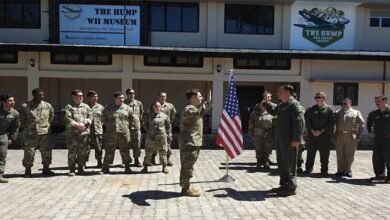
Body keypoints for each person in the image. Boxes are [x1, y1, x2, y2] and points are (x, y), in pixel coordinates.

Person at [264, 85, 305, 196]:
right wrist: (266, 102)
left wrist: (297, 139)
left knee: (290, 164)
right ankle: (284, 185)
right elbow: (273, 111)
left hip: (290, 140)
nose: (278, 93)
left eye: (280, 91)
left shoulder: (294, 105)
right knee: (282, 163)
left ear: (288, 92)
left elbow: (300, 123)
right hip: (281, 139)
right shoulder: (282, 105)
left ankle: (291, 187)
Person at [179, 89, 212, 197]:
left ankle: (186, 186)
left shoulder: (194, 109)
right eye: (200, 96)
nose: (201, 98)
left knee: (188, 165)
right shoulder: (190, 109)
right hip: (189, 143)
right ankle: (185, 189)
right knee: (187, 166)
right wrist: (206, 103)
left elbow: (201, 111)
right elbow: (195, 113)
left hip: (193, 142)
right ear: (193, 98)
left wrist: (208, 102)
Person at [20, 88, 55, 177]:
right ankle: (28, 170)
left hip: (44, 133)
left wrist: (45, 126)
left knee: (46, 151)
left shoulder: (47, 105)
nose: (41, 97)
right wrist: (29, 127)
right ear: (34, 95)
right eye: (39, 95)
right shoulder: (26, 106)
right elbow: (22, 119)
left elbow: (51, 116)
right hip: (31, 133)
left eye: (42, 95)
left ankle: (46, 169)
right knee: (29, 152)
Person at [101, 91, 134, 174]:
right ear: (114, 98)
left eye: (123, 98)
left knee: (125, 150)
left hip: (124, 133)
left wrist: (126, 127)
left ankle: (127, 167)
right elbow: (103, 119)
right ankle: (106, 168)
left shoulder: (128, 108)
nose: (122, 100)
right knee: (109, 150)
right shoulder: (108, 108)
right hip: (111, 134)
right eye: (120, 98)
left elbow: (131, 119)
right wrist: (109, 127)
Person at [304, 91, 334, 177]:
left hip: (324, 135)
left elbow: (331, 122)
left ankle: (324, 171)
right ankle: (308, 168)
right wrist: (313, 131)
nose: (316, 99)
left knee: (324, 154)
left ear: (324, 98)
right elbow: (307, 121)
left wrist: (321, 131)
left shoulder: (329, 109)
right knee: (310, 153)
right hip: (312, 135)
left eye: (318, 97)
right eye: (315, 98)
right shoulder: (310, 109)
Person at [63, 89, 92, 176]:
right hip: (72, 134)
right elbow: (67, 118)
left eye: (82, 96)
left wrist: (85, 122)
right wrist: (77, 125)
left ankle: (81, 168)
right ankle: (72, 169)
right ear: (73, 96)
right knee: (72, 152)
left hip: (83, 134)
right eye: (79, 96)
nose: (81, 97)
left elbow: (90, 116)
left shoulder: (86, 106)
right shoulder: (68, 107)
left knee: (82, 152)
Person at [334, 98, 365, 178]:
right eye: (342, 103)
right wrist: (332, 135)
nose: (343, 105)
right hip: (339, 135)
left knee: (350, 153)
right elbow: (332, 123)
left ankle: (348, 170)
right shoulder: (337, 113)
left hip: (351, 135)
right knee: (339, 153)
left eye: (345, 103)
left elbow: (362, 123)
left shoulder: (356, 112)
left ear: (350, 104)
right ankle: (340, 170)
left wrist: (359, 135)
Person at [142, 101, 172, 174]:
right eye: (156, 106)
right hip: (151, 137)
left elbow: (168, 126)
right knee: (148, 152)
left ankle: (164, 167)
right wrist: (150, 131)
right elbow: (145, 125)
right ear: (153, 107)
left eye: (159, 106)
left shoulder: (164, 116)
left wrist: (168, 135)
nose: (157, 108)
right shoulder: (149, 116)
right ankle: (145, 167)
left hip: (161, 137)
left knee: (163, 152)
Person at [367, 95, 390, 183]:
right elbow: (369, 123)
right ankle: (380, 175)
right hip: (377, 139)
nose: (377, 103)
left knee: (388, 157)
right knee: (377, 157)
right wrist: (370, 132)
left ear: (385, 101)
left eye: (378, 101)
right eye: (376, 101)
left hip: (388, 139)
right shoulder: (374, 113)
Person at [151, 92, 177, 166]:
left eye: (165, 96)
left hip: (166, 129)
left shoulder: (170, 105)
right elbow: (150, 115)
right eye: (161, 96)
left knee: (167, 144)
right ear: (158, 97)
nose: (163, 98)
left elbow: (173, 114)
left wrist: (169, 122)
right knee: (154, 145)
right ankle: (152, 159)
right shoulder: (153, 105)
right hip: (155, 129)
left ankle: (167, 159)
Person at [0, 94, 20, 183]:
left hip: (3, 136)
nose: (13, 102)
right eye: (10, 100)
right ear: (3, 102)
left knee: (2, 156)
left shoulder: (15, 113)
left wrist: (11, 138)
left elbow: (15, 127)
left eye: (13, 100)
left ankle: (0, 175)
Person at [248, 103, 274, 169]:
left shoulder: (271, 114)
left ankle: (266, 162)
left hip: (268, 135)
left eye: (264, 105)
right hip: (257, 135)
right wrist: (251, 134)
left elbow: (274, 126)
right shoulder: (254, 114)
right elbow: (251, 125)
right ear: (260, 106)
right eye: (262, 105)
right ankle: (259, 162)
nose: (263, 106)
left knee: (267, 149)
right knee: (258, 149)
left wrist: (274, 135)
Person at [124, 88, 144, 167]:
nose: (132, 95)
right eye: (130, 93)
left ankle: (136, 160)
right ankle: (126, 161)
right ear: (127, 94)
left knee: (137, 145)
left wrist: (138, 122)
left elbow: (141, 113)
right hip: (126, 128)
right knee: (125, 145)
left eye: (133, 93)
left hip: (136, 127)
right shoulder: (124, 103)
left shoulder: (138, 103)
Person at [86, 90, 104, 168]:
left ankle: (99, 162)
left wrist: (100, 125)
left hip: (97, 130)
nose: (96, 98)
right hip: (86, 130)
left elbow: (103, 118)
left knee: (99, 147)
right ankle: (83, 163)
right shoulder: (85, 107)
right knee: (85, 147)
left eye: (96, 96)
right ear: (89, 98)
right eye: (94, 97)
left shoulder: (100, 107)